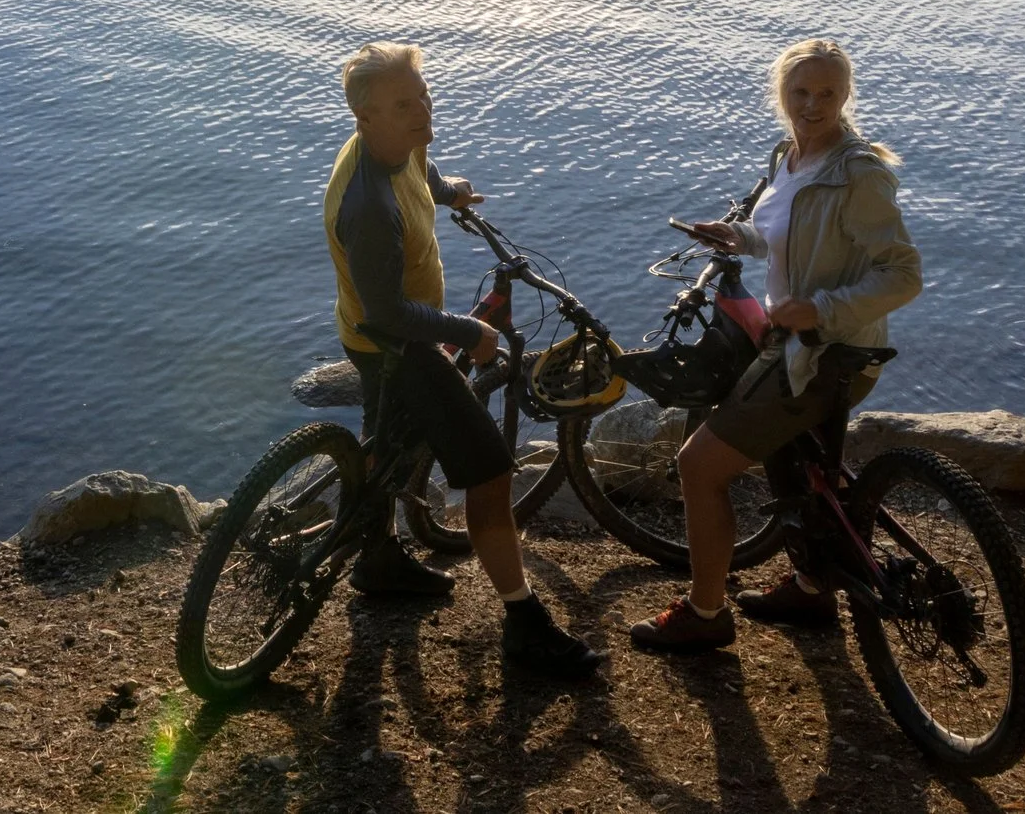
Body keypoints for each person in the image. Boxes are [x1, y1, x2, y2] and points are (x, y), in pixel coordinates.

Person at [630, 39, 923, 653]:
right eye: (801, 92)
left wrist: (819, 310)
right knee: (801, 468)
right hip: (790, 339)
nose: (813, 105)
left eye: (827, 93)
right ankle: (813, 589)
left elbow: (902, 275)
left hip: (823, 353)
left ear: (846, 96)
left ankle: (705, 614)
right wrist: (738, 237)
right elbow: (787, 242)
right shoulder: (789, 157)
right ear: (781, 95)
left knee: (698, 466)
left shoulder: (859, 173)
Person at [325, 41, 604, 679]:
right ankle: (525, 626)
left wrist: (450, 193)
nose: (423, 112)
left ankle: (377, 558)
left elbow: (419, 170)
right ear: (364, 118)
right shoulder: (368, 207)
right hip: (392, 344)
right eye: (404, 104)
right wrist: (469, 331)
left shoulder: (400, 142)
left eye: (422, 95)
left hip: (384, 331)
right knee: (488, 473)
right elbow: (385, 314)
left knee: (388, 442)